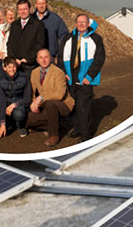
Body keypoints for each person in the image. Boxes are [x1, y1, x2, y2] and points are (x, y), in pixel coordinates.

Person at [59, 14, 105, 142]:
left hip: (85, 78)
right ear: (75, 23)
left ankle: (86, 134)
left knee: (82, 106)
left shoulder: (96, 39)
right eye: (79, 22)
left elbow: (99, 59)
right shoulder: (68, 38)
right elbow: (60, 56)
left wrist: (89, 77)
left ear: (88, 24)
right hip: (70, 77)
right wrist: (64, 72)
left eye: (84, 22)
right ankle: (78, 128)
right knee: (74, 105)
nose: (81, 24)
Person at [27, 47, 75, 147]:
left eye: (46, 57)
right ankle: (52, 126)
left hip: (63, 104)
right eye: (41, 58)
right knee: (27, 119)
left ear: (51, 58)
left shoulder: (58, 72)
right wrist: (33, 103)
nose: (44, 60)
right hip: (46, 106)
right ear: (37, 60)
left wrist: (40, 98)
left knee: (51, 103)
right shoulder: (34, 72)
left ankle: (54, 135)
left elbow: (60, 94)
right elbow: (31, 90)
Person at [0, 56, 31, 139]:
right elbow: (1, 101)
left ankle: (20, 125)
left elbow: (27, 98)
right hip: (6, 103)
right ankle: (6, 122)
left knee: (19, 114)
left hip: (19, 104)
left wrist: (14, 105)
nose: (12, 69)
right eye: (9, 67)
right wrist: (2, 123)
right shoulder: (0, 81)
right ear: (4, 68)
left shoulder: (24, 77)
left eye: (14, 66)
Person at [7, 0, 45, 73]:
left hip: (30, 66)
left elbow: (40, 44)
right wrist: (13, 59)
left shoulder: (38, 25)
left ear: (29, 9)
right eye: (20, 9)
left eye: (25, 9)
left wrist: (27, 59)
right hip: (15, 66)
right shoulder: (14, 25)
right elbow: (9, 43)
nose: (22, 12)